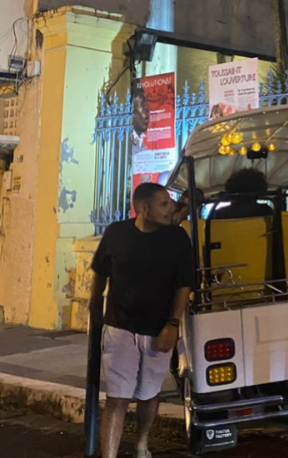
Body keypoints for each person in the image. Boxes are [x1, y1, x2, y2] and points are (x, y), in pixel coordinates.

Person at [90, 183, 195, 458]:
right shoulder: (116, 233)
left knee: (148, 394)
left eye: (170, 202)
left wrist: (173, 325)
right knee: (117, 398)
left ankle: (141, 444)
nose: (170, 207)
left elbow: (184, 285)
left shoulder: (178, 238)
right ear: (143, 209)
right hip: (119, 327)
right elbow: (100, 272)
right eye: (163, 203)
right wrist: (94, 307)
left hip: (158, 329)